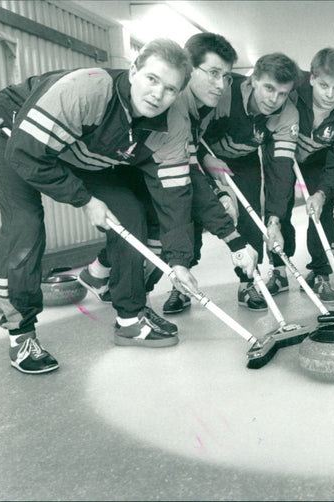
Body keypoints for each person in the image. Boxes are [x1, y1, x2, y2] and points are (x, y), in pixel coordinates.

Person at [0, 38, 201, 374]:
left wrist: (180, 260)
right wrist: (84, 200)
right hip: (15, 132)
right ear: (133, 71)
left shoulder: (173, 126)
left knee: (129, 214)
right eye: (152, 79)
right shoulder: (87, 90)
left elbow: (174, 199)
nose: (158, 94)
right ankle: (20, 333)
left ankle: (129, 317)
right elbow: (26, 156)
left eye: (170, 89)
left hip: (77, 145)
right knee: (25, 224)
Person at [78, 33, 259, 315]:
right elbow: (188, 177)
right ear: (189, 73)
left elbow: (190, 164)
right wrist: (232, 237)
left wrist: (216, 187)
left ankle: (107, 277)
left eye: (225, 77)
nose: (221, 84)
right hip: (128, 173)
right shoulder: (176, 107)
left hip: (158, 174)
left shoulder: (201, 107)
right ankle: (132, 306)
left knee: (166, 236)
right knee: (152, 232)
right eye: (213, 73)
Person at [200, 52, 300, 311]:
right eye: (268, 88)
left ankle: (247, 285)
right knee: (190, 221)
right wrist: (203, 159)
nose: (274, 99)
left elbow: (281, 169)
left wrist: (275, 219)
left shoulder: (287, 113)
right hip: (199, 159)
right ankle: (179, 285)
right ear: (253, 80)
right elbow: (187, 134)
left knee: (251, 218)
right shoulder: (224, 92)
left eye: (282, 93)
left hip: (243, 162)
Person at [284, 47, 334, 303]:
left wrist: (324, 191)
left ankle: (321, 274)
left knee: (322, 208)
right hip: (283, 153)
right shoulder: (293, 91)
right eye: (324, 86)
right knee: (280, 208)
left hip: (318, 158)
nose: (330, 95)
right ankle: (277, 270)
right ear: (312, 79)